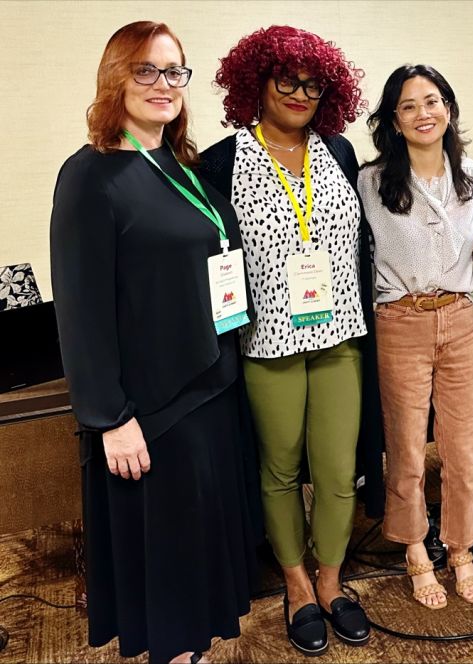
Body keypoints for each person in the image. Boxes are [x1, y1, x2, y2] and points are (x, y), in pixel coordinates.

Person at [50, 21, 257, 663]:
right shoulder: (92, 176)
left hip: (212, 386)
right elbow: (80, 309)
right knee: (168, 557)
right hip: (152, 409)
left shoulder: (180, 167)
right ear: (116, 78)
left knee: (199, 549)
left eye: (174, 71)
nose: (163, 85)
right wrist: (110, 418)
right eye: (146, 70)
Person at [198, 26, 379, 655]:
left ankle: (331, 581)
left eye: (313, 84)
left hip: (340, 334)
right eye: (287, 81)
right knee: (277, 469)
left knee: (337, 467)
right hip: (263, 343)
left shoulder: (340, 152)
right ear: (257, 83)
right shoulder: (221, 162)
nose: (301, 93)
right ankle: (296, 585)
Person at [358, 65, 473, 609]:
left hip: (459, 318)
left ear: (449, 108)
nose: (422, 113)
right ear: (393, 119)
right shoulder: (371, 179)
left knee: (463, 446)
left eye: (431, 101)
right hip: (400, 321)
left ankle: (461, 548)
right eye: (408, 106)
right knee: (407, 445)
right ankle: (415, 549)